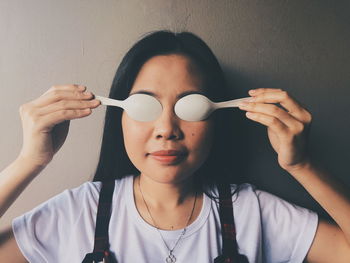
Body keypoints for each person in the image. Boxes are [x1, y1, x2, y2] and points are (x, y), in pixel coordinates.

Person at [0, 30, 349, 263]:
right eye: (144, 106)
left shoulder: (250, 212)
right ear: (118, 117)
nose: (166, 129)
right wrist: (30, 160)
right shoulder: (78, 213)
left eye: (190, 106)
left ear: (216, 118)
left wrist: (302, 165)